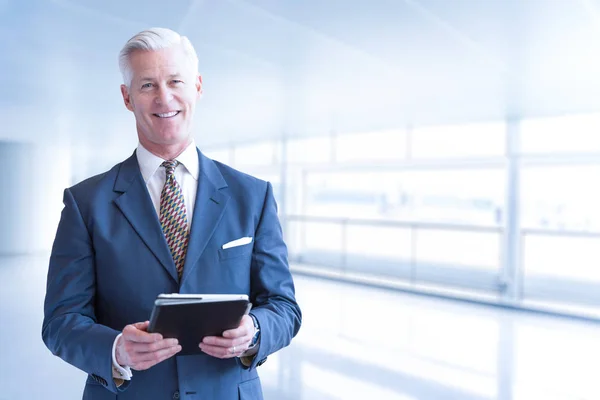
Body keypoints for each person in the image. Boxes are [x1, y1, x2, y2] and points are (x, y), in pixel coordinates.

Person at [42, 27, 301, 400]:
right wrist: (116, 349)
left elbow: (284, 307)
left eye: (175, 81)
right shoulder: (86, 203)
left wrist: (255, 331)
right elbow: (60, 322)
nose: (164, 98)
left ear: (197, 86)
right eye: (147, 85)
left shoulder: (253, 196)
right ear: (127, 97)